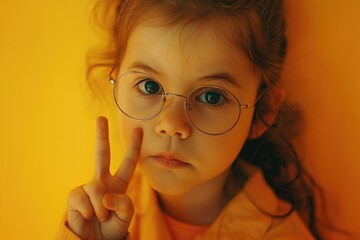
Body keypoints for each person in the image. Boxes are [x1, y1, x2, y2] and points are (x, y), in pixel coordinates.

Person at [57, 0, 324, 239]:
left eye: (211, 97)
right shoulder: (97, 217)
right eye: (150, 86)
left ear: (263, 111)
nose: (172, 125)